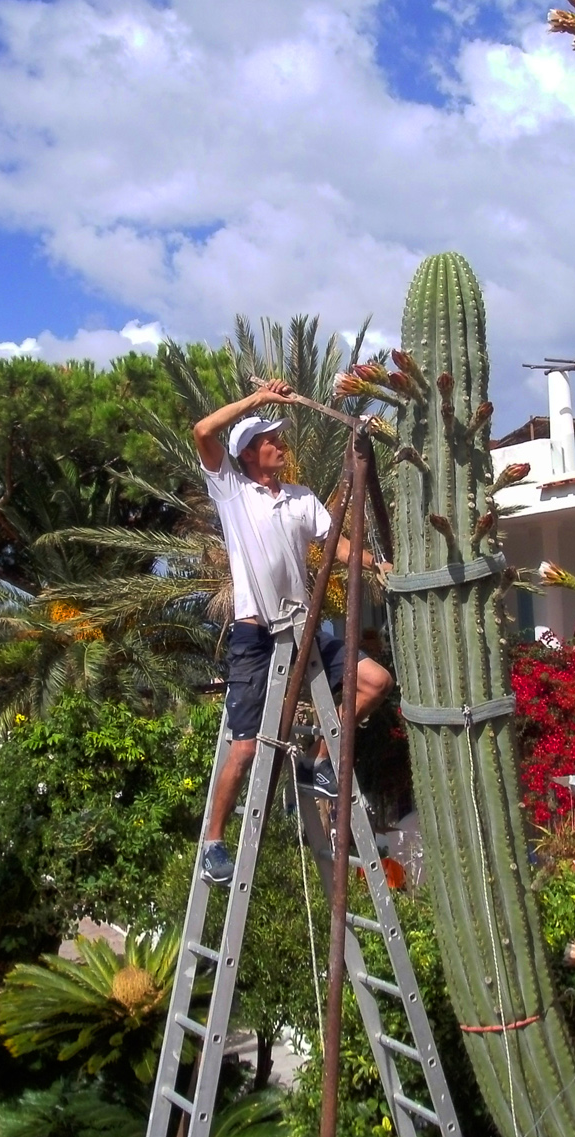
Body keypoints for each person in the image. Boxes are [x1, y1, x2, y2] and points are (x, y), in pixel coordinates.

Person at [194, 378, 393, 886]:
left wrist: (379, 565)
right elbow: (202, 430)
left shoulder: (301, 500)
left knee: (375, 684)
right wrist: (257, 400)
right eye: (270, 439)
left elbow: (340, 549)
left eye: (279, 436)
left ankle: (318, 764)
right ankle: (214, 842)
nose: (281, 444)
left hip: (303, 629)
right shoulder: (232, 491)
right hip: (256, 637)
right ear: (247, 454)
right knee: (245, 748)